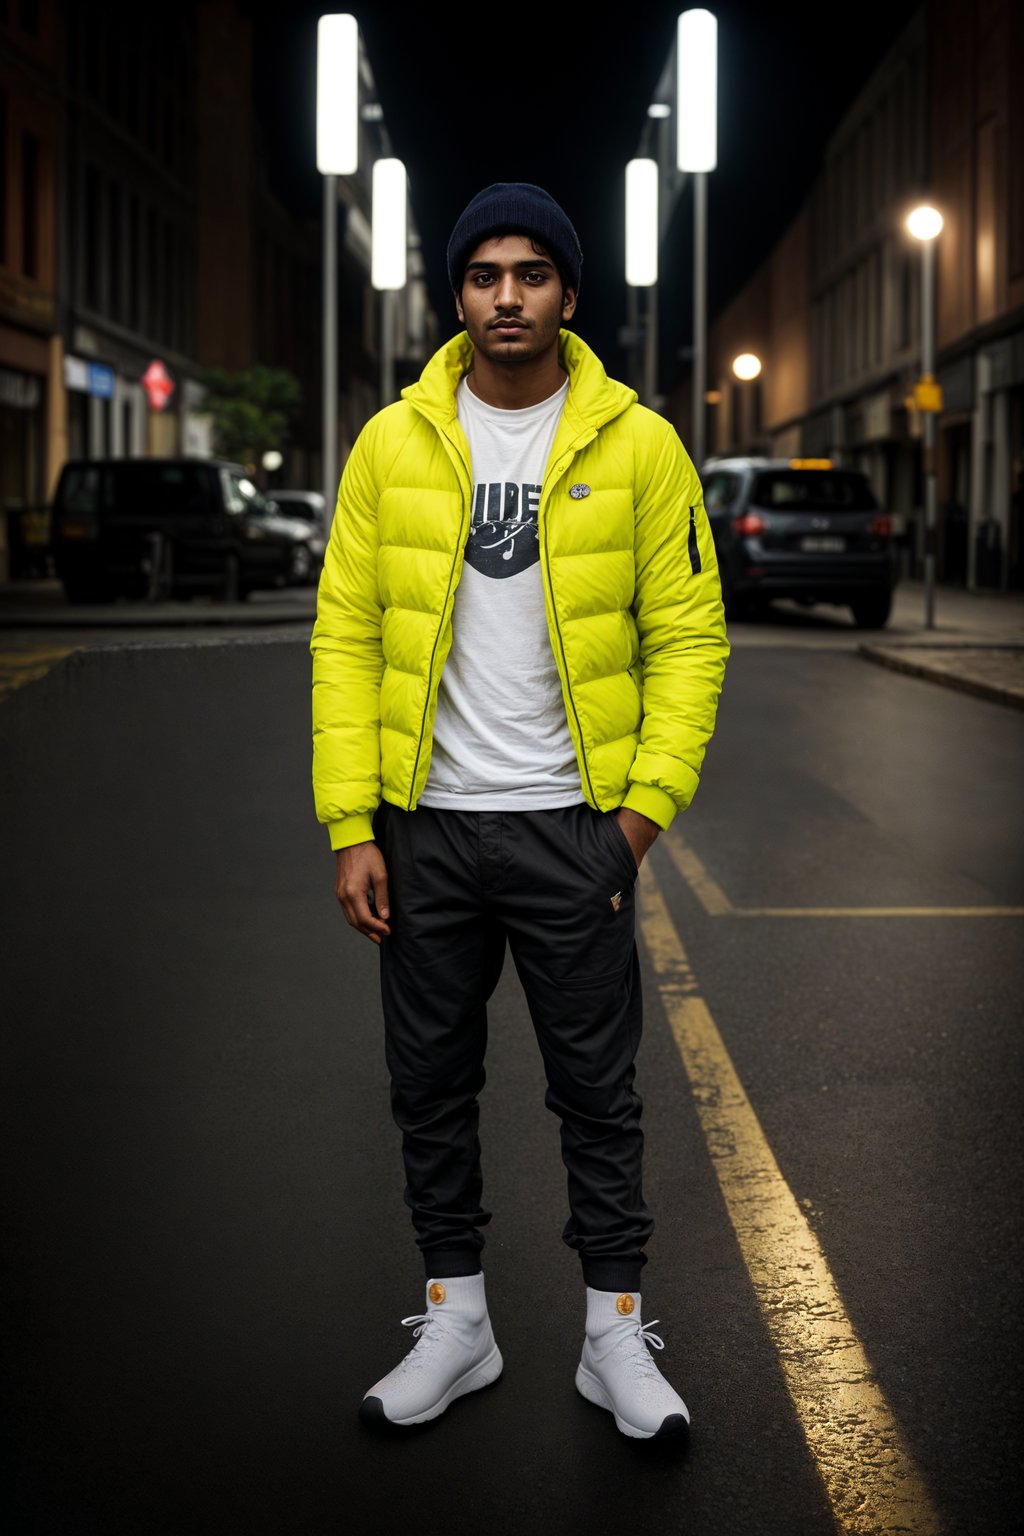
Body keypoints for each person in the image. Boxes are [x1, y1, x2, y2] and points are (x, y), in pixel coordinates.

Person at [310, 182, 729, 1440]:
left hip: (570, 827)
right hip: (424, 828)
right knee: (429, 1090)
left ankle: (614, 1337)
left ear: (568, 293)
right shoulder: (392, 442)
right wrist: (351, 827)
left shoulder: (638, 443)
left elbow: (690, 636)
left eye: (532, 273)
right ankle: (460, 1321)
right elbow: (342, 635)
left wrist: (639, 818)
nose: (507, 295)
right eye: (485, 274)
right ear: (457, 294)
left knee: (597, 1095)